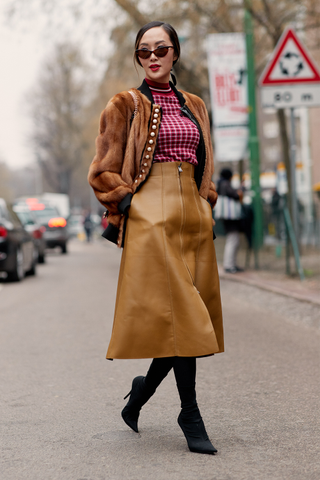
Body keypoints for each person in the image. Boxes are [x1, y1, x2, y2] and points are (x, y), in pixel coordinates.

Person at [88, 21, 224, 455]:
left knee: (188, 319)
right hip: (152, 216)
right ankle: (190, 413)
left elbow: (206, 161)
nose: (152, 56)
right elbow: (103, 170)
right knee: (184, 316)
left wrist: (207, 201)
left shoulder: (196, 105)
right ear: (138, 58)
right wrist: (132, 206)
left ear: (175, 53)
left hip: (194, 217)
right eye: (144, 51)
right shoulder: (124, 104)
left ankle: (142, 392)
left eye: (161, 48)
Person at [217, 168, 244, 273]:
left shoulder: (220, 184)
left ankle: (231, 264)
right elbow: (235, 195)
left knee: (232, 239)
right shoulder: (225, 184)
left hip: (227, 217)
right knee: (232, 240)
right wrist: (241, 190)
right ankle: (229, 265)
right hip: (230, 217)